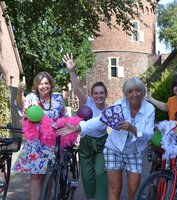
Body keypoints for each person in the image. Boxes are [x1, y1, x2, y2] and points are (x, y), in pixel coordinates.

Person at [57, 77, 155, 200]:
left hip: (134, 151)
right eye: (130, 91)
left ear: (143, 92)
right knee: (115, 189)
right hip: (114, 149)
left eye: (138, 91)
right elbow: (101, 120)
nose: (134, 94)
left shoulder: (149, 109)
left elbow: (149, 134)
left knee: (133, 190)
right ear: (126, 93)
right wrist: (78, 128)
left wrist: (133, 129)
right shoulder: (119, 104)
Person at [12, 71, 67, 200]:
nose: (44, 86)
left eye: (46, 83)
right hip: (35, 143)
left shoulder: (58, 99)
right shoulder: (32, 97)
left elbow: (64, 117)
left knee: (48, 175)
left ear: (51, 85)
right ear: (36, 85)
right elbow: (20, 105)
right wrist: (20, 92)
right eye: (41, 83)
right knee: (36, 176)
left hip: (52, 142)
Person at [63, 53, 109, 200]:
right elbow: (76, 90)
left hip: (102, 144)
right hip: (86, 143)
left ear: (105, 95)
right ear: (92, 95)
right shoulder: (87, 102)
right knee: (88, 177)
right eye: (96, 93)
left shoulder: (109, 110)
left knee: (100, 173)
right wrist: (72, 71)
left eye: (102, 93)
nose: (99, 96)